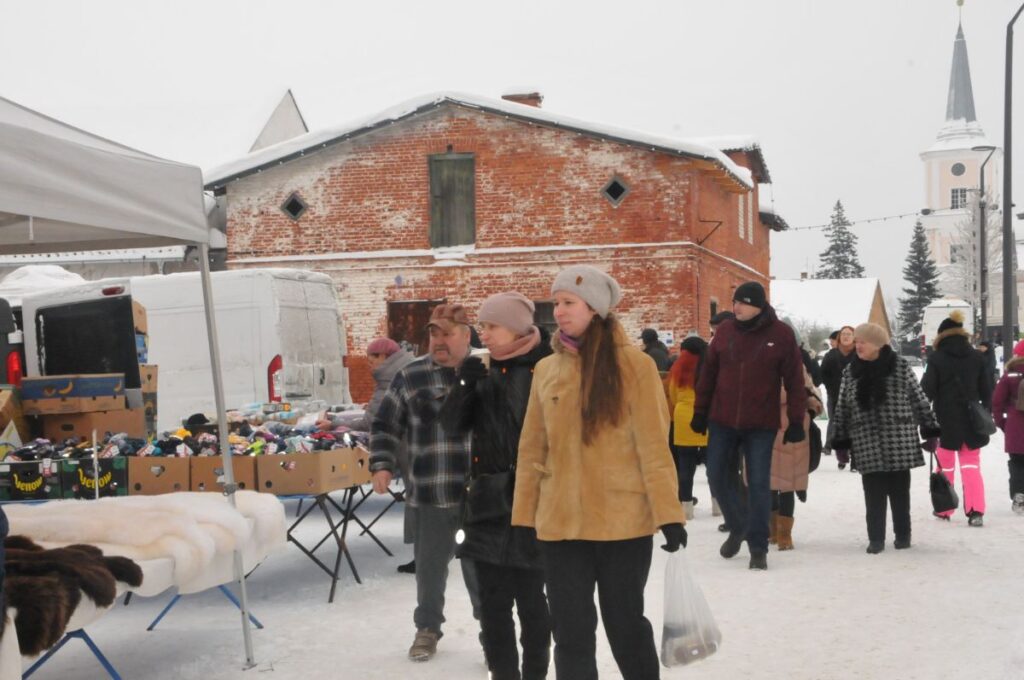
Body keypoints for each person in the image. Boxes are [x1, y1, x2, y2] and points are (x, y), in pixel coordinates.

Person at [511, 265, 685, 680]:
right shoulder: (547, 369)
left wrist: (669, 514)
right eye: (556, 303)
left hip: (621, 525)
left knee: (626, 627)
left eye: (568, 303)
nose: (558, 311)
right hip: (561, 527)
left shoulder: (635, 366)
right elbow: (532, 448)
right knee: (570, 633)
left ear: (595, 308)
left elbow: (653, 446)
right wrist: (523, 520)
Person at [439, 292, 552, 680]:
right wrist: (464, 384)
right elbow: (451, 426)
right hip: (487, 503)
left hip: (531, 502)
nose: (482, 334)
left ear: (516, 328)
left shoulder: (545, 366)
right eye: (482, 326)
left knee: (533, 602)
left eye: (491, 326)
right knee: (492, 605)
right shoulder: (480, 370)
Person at [369, 303, 479, 662]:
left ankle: (492, 633)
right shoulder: (411, 375)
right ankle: (427, 629)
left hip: (479, 495)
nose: (439, 341)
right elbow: (385, 424)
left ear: (466, 335)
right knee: (429, 571)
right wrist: (382, 464)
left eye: (447, 333)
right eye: (434, 333)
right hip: (430, 492)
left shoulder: (486, 371)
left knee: (482, 571)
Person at [692, 281, 806, 571]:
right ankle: (737, 524)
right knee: (716, 475)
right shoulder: (725, 331)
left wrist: (796, 420)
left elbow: (795, 381)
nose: (736, 307)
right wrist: (700, 411)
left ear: (758, 305)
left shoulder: (780, 334)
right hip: (723, 418)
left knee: (757, 482)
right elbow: (708, 374)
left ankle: (758, 547)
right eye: (734, 302)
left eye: (742, 302)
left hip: (760, 423)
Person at [831, 323, 941, 554]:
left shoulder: (899, 366)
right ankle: (876, 539)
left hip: (898, 438)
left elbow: (919, 399)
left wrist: (930, 430)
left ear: (878, 344)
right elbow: (842, 409)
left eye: (863, 342)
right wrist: (840, 442)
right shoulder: (851, 371)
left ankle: (903, 535)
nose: (858, 346)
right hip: (865, 438)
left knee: (900, 493)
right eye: (857, 341)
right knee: (873, 494)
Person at [921, 311, 993, 527]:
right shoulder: (977, 357)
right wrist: (985, 410)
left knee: (945, 466)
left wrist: (924, 416)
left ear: (941, 335)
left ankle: (944, 508)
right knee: (971, 467)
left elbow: (926, 390)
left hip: (945, 419)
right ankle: (976, 511)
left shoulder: (936, 358)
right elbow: (987, 390)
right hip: (971, 420)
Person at [363, 337, 417, 572]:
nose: (370, 364)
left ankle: (424, 557)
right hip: (420, 446)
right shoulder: (412, 368)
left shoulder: (390, 379)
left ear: (385, 357)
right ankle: (433, 553)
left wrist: (334, 423)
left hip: (406, 449)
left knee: (418, 504)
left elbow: (373, 420)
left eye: (372, 358)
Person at [769, 357, 824, 550]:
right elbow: (810, 394)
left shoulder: (793, 364)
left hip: (787, 429)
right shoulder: (793, 364)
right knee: (782, 486)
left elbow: (812, 396)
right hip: (779, 429)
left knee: (779, 485)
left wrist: (809, 408)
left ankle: (779, 534)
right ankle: (780, 535)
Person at [667, 336, 708, 520]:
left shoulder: (678, 368)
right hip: (705, 417)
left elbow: (673, 395)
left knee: (685, 466)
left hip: (683, 418)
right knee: (713, 466)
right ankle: (717, 505)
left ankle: (686, 508)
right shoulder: (709, 367)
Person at [991, 339, 1024, 515]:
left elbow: (997, 402)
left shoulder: (1010, 374)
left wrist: (1002, 423)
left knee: (1017, 462)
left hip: (1015, 425)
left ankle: (1019, 495)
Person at [821, 325, 856, 467]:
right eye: (843, 334)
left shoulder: (859, 353)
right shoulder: (831, 355)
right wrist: (831, 388)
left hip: (855, 395)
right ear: (839, 337)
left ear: (854, 337)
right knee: (838, 424)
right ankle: (840, 453)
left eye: (849, 334)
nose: (846, 336)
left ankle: (855, 458)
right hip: (835, 395)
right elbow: (823, 373)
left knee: (854, 425)